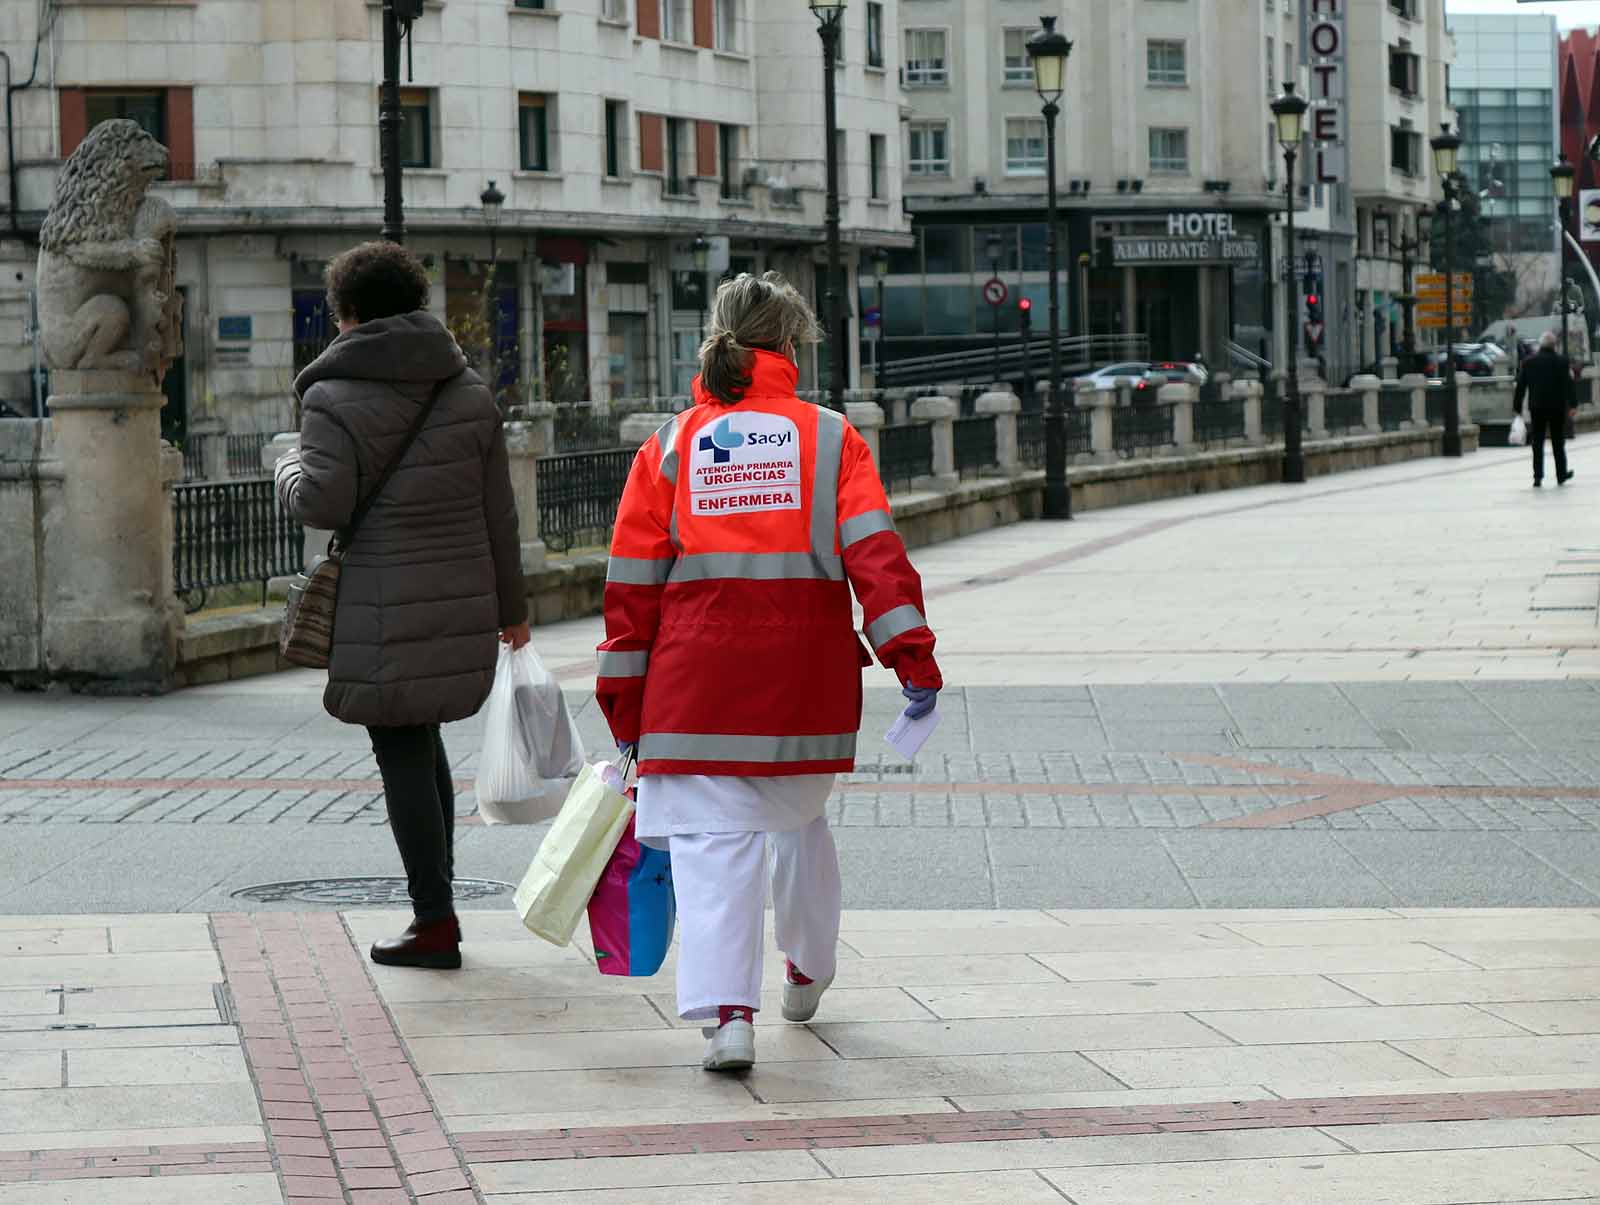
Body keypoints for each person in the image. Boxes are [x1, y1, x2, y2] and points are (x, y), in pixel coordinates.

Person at [597, 272, 941, 1072]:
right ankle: (807, 966)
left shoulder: (670, 445)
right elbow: (877, 558)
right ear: (789, 346)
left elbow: (629, 586)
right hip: (803, 692)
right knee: (798, 823)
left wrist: (623, 704)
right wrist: (912, 659)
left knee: (714, 848)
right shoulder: (830, 437)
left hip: (692, 689)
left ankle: (728, 1017)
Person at [276, 241, 530, 968]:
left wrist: (288, 469)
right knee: (421, 741)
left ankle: (434, 919)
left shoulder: (330, 397)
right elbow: (499, 515)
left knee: (400, 745)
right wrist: (513, 612)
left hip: (383, 604)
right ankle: (437, 910)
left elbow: (322, 503)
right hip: (460, 602)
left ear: (349, 315)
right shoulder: (469, 391)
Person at [1513, 330, 1578, 488]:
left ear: (1540, 345)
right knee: (1558, 441)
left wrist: (1517, 407)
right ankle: (1561, 475)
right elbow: (1569, 385)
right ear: (1554, 346)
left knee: (1537, 442)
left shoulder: (1529, 362)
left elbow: (1520, 386)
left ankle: (1538, 477)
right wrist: (1573, 404)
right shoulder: (1561, 362)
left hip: (1537, 407)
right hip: (1557, 407)